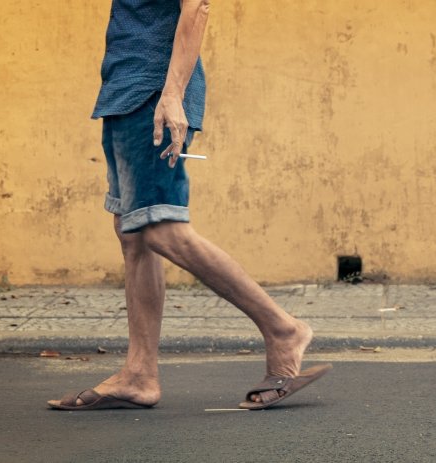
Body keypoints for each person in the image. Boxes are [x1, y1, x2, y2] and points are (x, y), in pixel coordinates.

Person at [49, 0, 329, 411]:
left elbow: (196, 6)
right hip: (125, 92)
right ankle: (139, 375)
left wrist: (173, 95)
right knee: (132, 232)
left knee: (161, 228)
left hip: (153, 94)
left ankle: (282, 328)